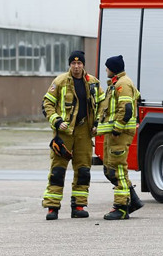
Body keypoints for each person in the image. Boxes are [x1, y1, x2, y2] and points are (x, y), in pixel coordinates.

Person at [41, 51, 102, 220]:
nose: (76, 67)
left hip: (84, 131)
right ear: (70, 65)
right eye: (73, 64)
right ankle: (52, 208)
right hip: (64, 132)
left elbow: (103, 104)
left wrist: (97, 123)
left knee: (83, 170)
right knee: (58, 170)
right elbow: (47, 103)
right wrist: (57, 121)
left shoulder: (93, 83)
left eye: (79, 64)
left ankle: (79, 206)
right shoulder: (59, 82)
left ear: (83, 65)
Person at [96, 55, 144, 220]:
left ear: (113, 68)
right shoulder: (116, 83)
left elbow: (127, 109)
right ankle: (133, 200)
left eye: (107, 67)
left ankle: (122, 207)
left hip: (119, 135)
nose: (106, 70)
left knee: (117, 171)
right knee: (109, 170)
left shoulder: (122, 84)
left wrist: (117, 129)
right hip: (114, 134)